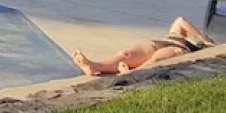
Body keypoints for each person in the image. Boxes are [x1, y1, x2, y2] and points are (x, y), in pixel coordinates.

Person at [71, 17, 215, 76]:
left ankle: (134, 73)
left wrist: (205, 45)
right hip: (155, 43)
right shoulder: (177, 33)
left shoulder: (193, 47)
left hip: (179, 49)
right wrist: (203, 39)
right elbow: (180, 20)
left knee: (158, 59)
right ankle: (94, 66)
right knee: (125, 54)